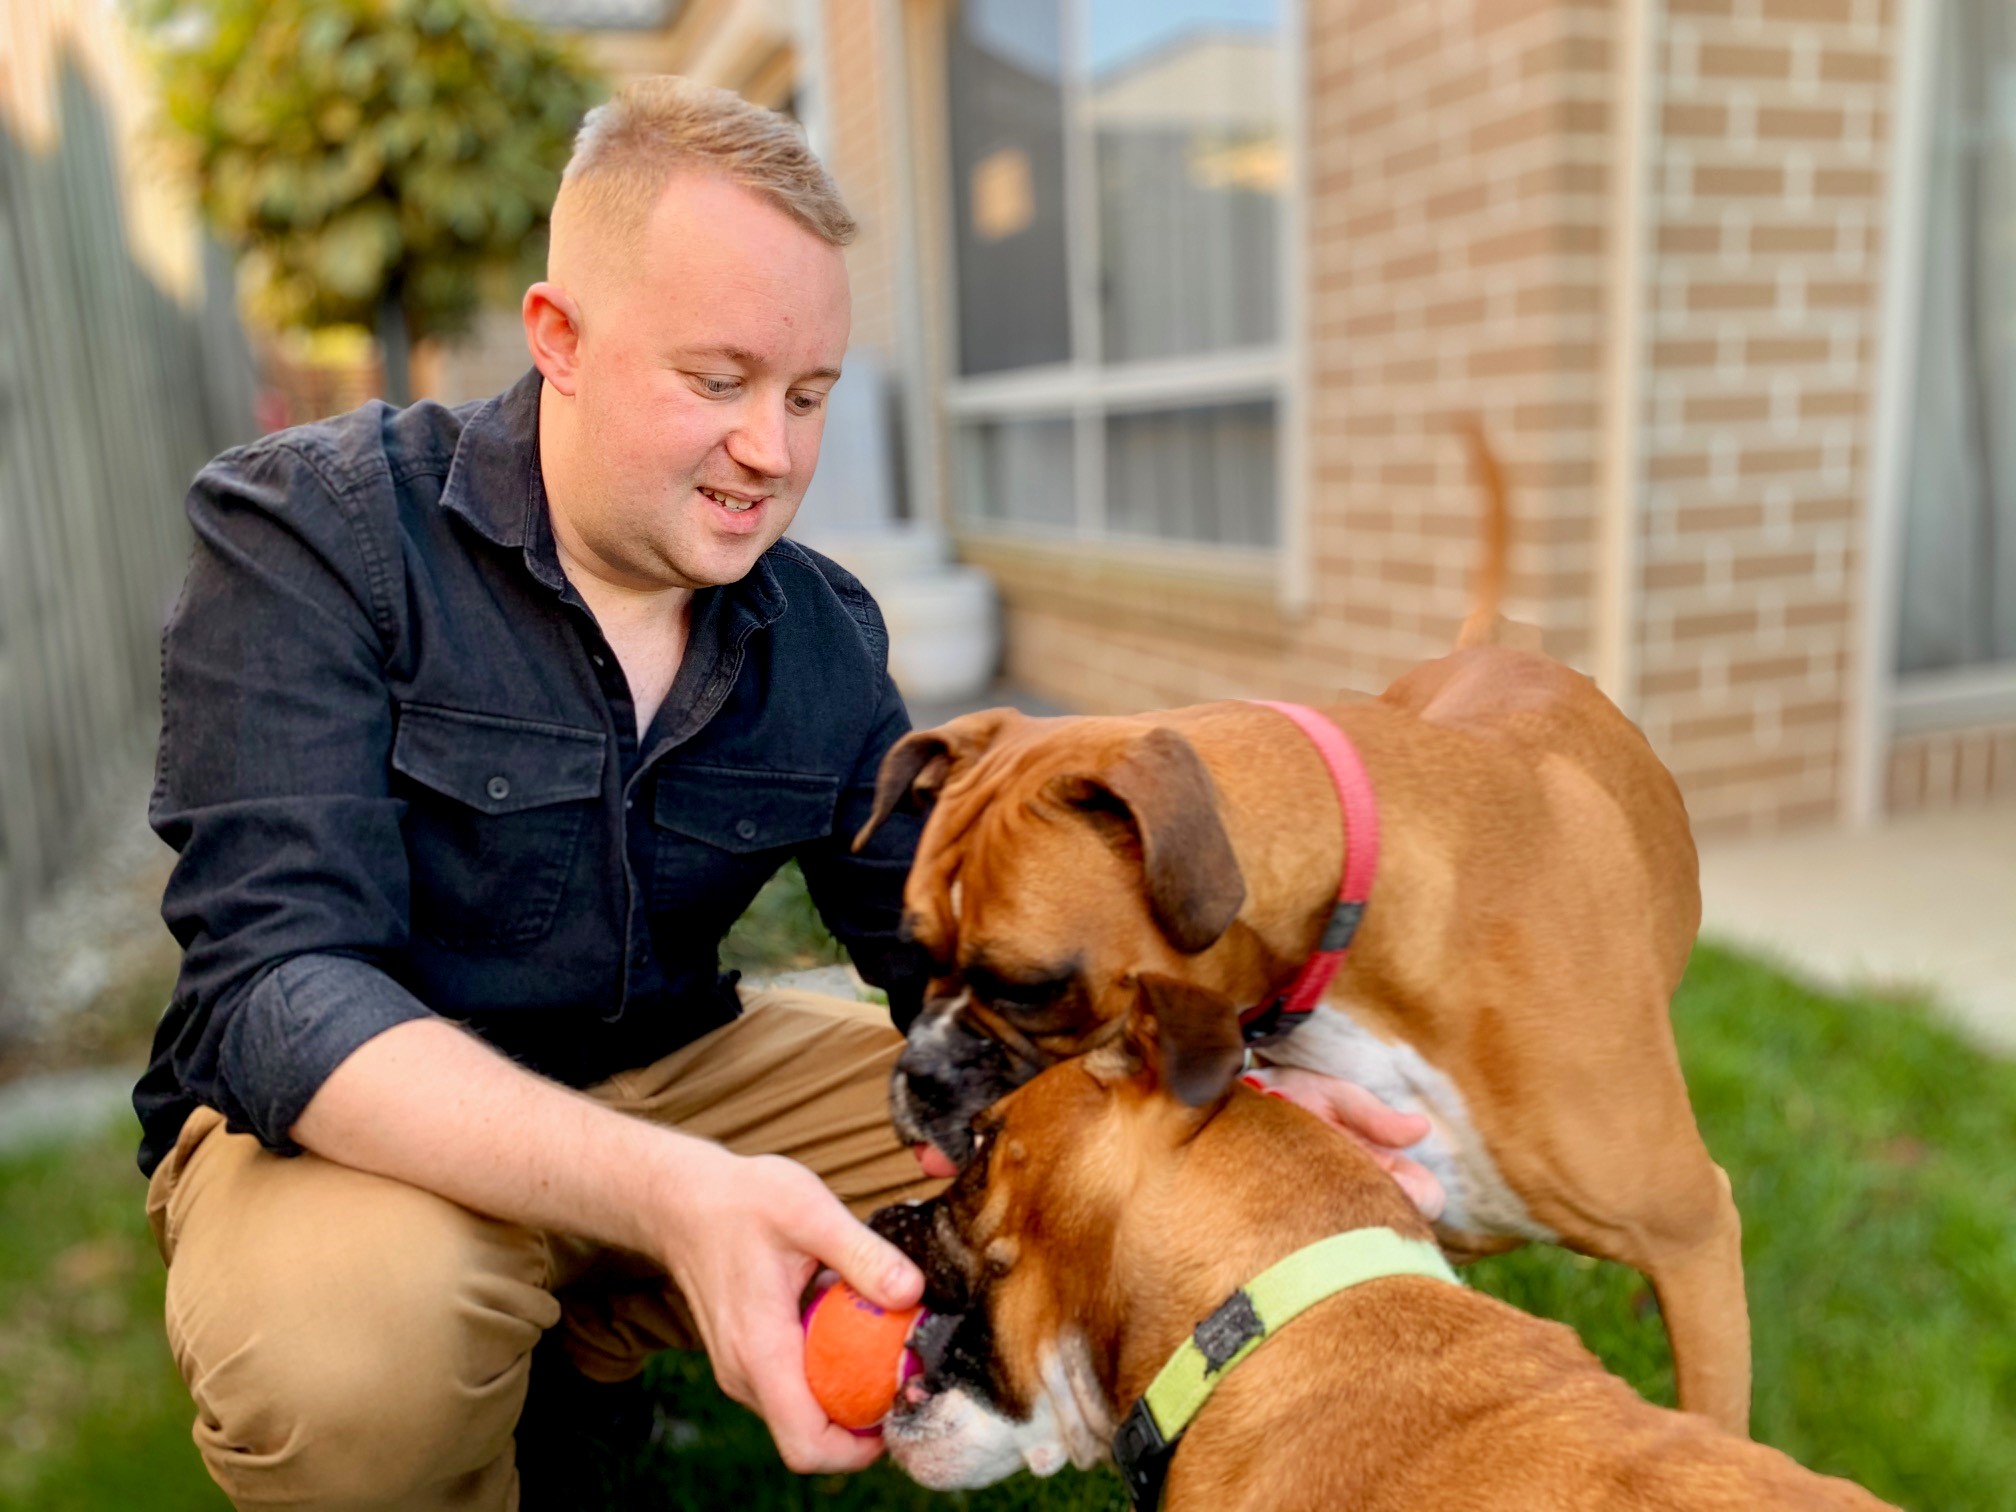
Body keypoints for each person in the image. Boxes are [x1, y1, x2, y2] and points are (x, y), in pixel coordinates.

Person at [137, 75, 1441, 1511]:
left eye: (809, 394)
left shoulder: (813, 628)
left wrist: (1241, 1103)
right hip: (355, 1127)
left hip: (678, 1069)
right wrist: (669, 1194)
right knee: (351, 1366)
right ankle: (517, 1372)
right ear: (557, 340)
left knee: (1114, 1153)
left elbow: (938, 959)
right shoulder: (313, 534)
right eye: (719, 383)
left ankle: (593, 1344)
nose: (775, 450)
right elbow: (276, 992)